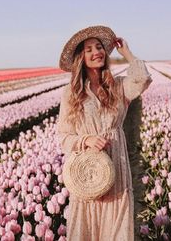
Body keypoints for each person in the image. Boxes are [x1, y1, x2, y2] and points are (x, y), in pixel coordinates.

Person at [56, 25, 152, 241]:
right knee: (88, 228)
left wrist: (127, 53)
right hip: (88, 172)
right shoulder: (71, 93)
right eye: (89, 49)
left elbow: (142, 79)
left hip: (116, 165)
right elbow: (64, 136)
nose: (96, 52)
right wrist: (86, 139)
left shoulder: (117, 87)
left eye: (99, 47)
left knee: (117, 226)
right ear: (81, 57)